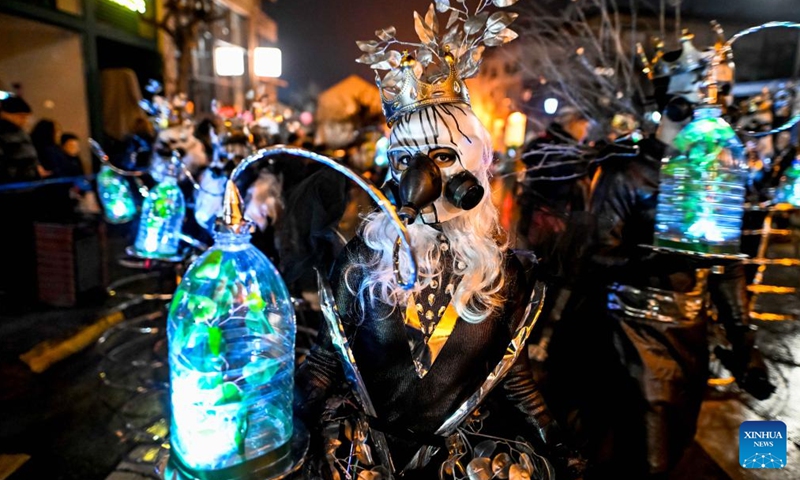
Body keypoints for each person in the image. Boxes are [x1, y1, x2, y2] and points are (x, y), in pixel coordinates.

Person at [294, 7, 584, 479]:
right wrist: (275, 414)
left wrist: (554, 435)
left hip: (453, 464)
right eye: (406, 159)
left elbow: (511, 374)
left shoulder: (505, 274)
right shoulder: (363, 260)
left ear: (473, 169)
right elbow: (328, 360)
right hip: (362, 459)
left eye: (442, 157)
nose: (420, 178)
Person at [544, 32, 775, 480]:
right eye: (705, 101)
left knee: (676, 451)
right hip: (631, 338)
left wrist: (745, 346)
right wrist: (655, 260)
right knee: (645, 461)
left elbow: (725, 269)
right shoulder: (624, 173)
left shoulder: (714, 171)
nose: (716, 113)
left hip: (691, 336)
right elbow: (591, 262)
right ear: (676, 106)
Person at [0, 95, 39, 184]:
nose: (25, 121)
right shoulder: (4, 134)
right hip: (10, 186)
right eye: (21, 116)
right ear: (5, 114)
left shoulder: (21, 133)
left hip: (26, 185)